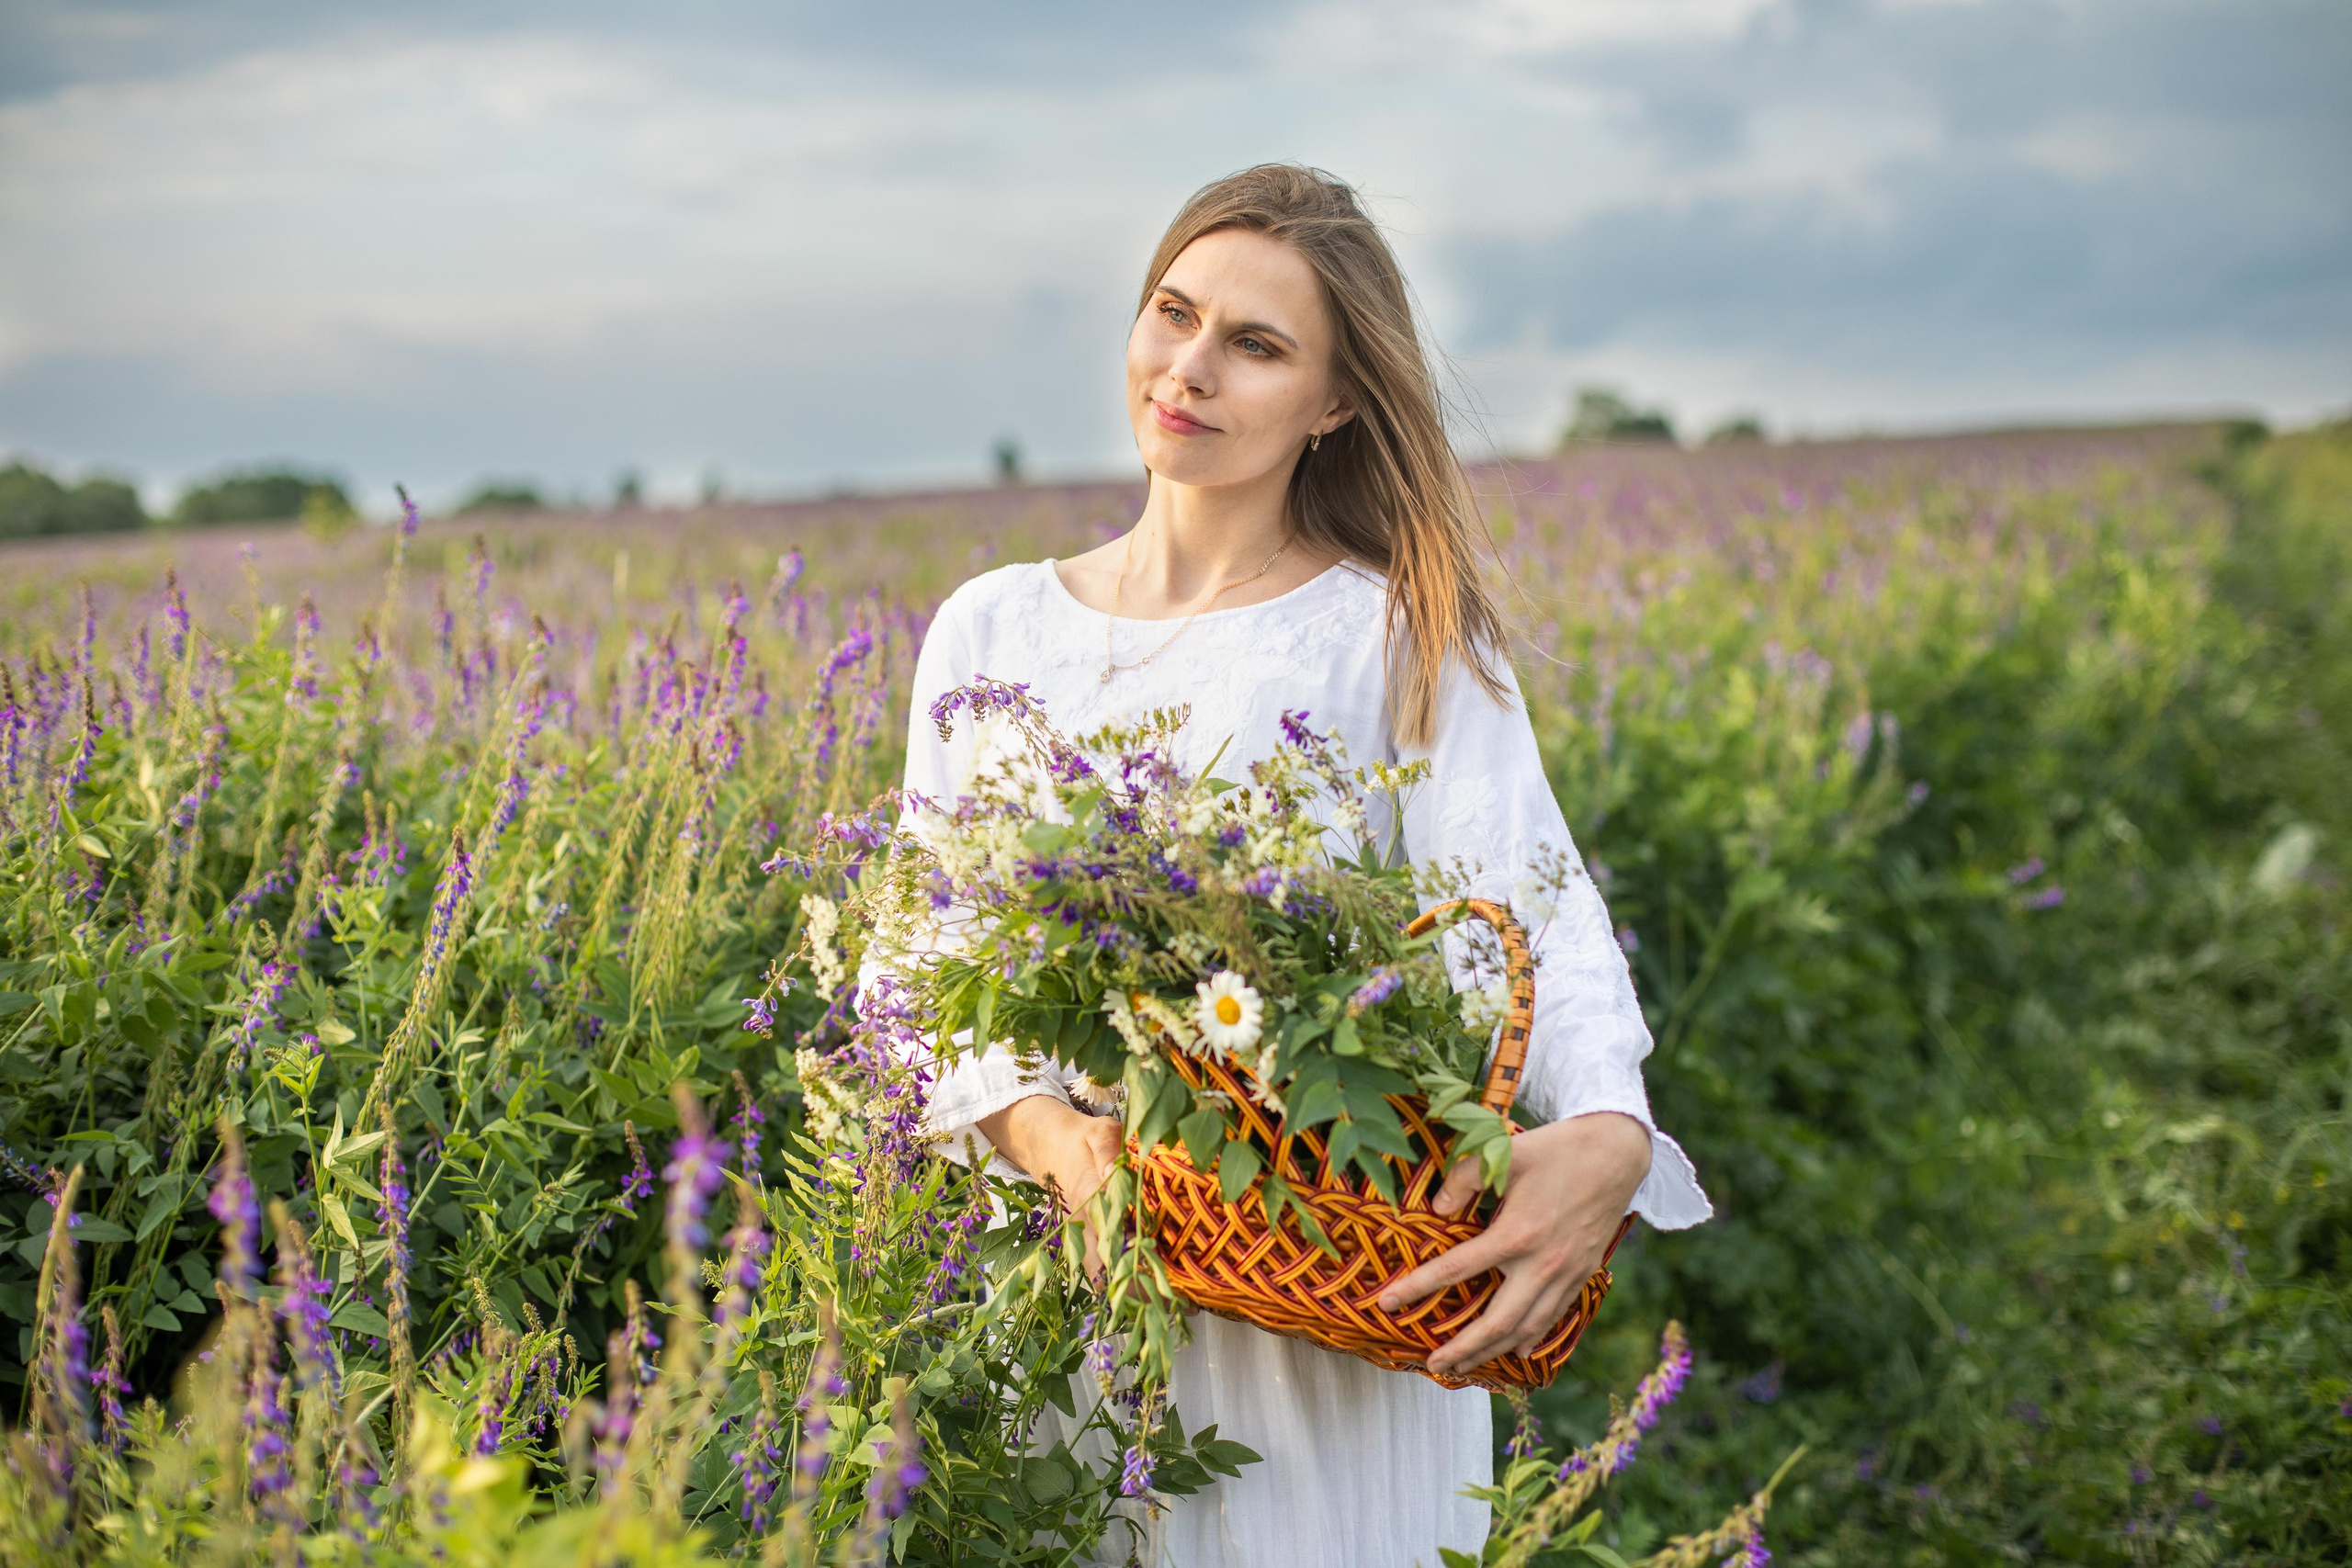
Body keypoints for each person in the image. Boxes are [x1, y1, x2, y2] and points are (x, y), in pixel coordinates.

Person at [889, 164, 1711, 1568]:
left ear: (1335, 402)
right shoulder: (992, 631)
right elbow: (908, 968)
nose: (1189, 369)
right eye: (1174, 313)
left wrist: (1612, 1128)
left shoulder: (1393, 632)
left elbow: (1525, 908)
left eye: (1255, 346)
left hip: (1319, 1293)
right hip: (1073, 1303)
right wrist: (1050, 1142)